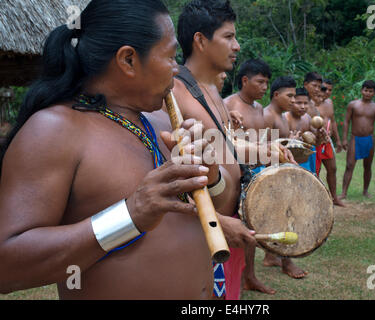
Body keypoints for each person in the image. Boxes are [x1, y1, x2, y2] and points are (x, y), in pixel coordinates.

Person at [0, 0, 238, 299]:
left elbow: (223, 206)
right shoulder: (53, 130)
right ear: (128, 60)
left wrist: (213, 177)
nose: (176, 69)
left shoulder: (162, 120)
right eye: (171, 56)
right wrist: (130, 215)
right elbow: (6, 265)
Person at [173, 0, 258, 300]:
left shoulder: (210, 90)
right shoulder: (175, 95)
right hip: (203, 237)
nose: (236, 45)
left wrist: (268, 151)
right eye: (228, 37)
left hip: (227, 229)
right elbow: (170, 182)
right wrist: (217, 222)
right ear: (200, 40)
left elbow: (225, 148)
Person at [222, 59, 276, 294]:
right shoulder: (228, 105)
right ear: (245, 80)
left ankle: (249, 275)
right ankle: (228, 280)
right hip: (235, 176)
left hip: (257, 172)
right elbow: (223, 145)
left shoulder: (259, 108)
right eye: (260, 82)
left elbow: (263, 142)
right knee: (235, 228)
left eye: (267, 83)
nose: (265, 87)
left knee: (252, 226)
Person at [261, 76, 308, 279]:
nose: (293, 100)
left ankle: (271, 256)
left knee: (282, 215)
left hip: (279, 172)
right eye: (289, 96)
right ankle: (287, 263)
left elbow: (279, 145)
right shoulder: (267, 116)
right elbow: (260, 149)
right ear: (276, 95)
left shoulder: (282, 116)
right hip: (269, 174)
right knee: (284, 216)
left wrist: (294, 143)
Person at [340, 80, 375, 199]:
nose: (368, 93)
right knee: (349, 165)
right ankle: (344, 192)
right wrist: (344, 139)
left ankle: (365, 191)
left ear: (374, 93)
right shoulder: (353, 105)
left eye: (370, 91)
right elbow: (346, 122)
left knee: (368, 166)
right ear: (361, 90)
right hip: (355, 138)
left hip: (369, 139)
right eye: (366, 90)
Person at [314, 81, 345, 207]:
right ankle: (314, 198)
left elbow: (332, 121)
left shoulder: (330, 103)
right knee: (315, 171)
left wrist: (337, 140)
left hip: (328, 142)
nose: (327, 92)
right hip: (316, 142)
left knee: (332, 168)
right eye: (324, 89)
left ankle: (334, 198)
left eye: (330, 90)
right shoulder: (311, 105)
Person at [286, 88, 316, 174]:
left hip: (305, 163)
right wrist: (291, 142)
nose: (303, 107)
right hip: (288, 164)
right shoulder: (285, 119)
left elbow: (315, 141)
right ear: (291, 101)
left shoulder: (307, 118)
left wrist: (320, 136)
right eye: (298, 103)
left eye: (305, 103)